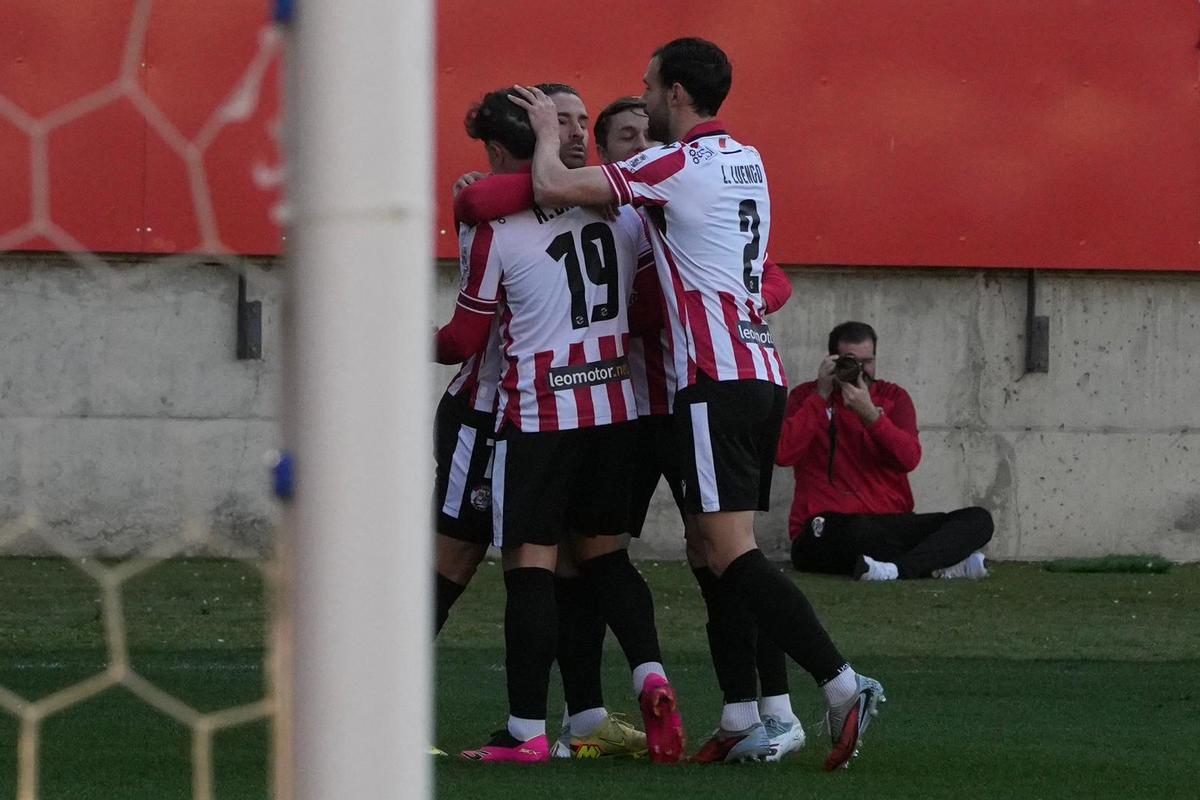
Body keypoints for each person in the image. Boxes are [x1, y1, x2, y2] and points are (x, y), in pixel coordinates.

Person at [509, 38, 884, 771]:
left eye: (648, 86)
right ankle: (748, 713)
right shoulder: (747, 158)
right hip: (759, 372)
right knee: (711, 553)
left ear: (676, 93)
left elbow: (555, 189)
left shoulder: (672, 163)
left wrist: (548, 138)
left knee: (728, 551)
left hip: (712, 378)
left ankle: (842, 684)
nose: (642, 100)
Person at [460, 94, 806, 762]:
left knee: (713, 556)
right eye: (622, 136)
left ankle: (772, 706)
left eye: (644, 133)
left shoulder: (655, 211)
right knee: (611, 556)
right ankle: (617, 706)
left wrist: (724, 307)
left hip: (642, 406)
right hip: (634, 407)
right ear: (609, 154)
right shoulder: (618, 205)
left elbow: (772, 278)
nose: (637, 144)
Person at [437, 85, 684, 764]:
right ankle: (644, 681)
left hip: (536, 415)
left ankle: (525, 733)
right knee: (602, 559)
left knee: (527, 570)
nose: (579, 133)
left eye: (582, 120)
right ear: (544, 133)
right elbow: (643, 305)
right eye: (563, 121)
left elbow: (463, 337)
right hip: (614, 412)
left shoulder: (495, 223)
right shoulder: (621, 210)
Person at [777, 321, 994, 581]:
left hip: (890, 522)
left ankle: (895, 570)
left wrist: (871, 417)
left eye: (867, 362)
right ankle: (938, 563)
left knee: (979, 520)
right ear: (831, 361)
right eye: (850, 361)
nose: (860, 370)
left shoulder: (894, 397)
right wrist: (821, 395)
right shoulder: (805, 397)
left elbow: (909, 459)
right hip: (829, 528)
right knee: (855, 532)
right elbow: (783, 453)